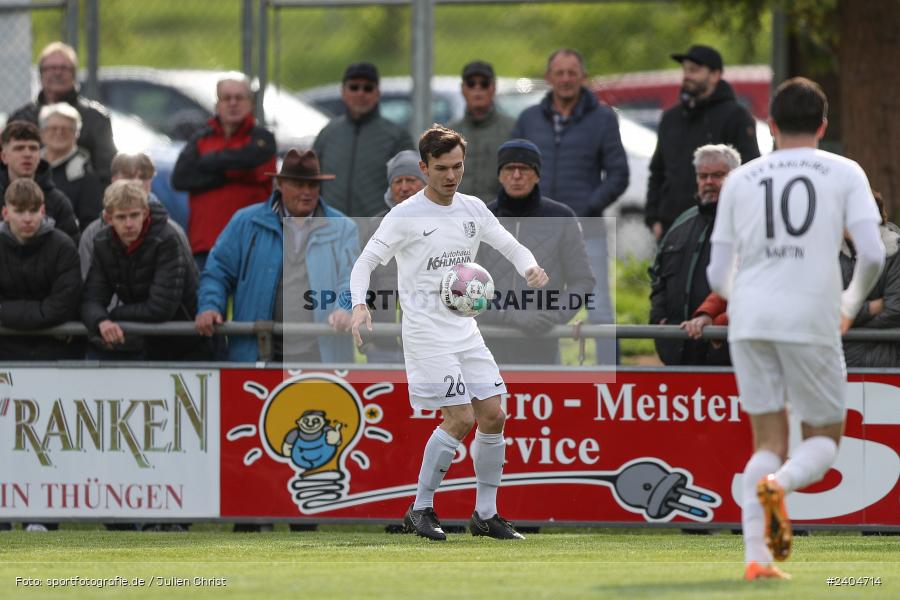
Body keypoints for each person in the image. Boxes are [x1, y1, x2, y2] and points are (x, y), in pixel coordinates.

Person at [706, 77, 884, 580]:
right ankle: (780, 486)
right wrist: (849, 303)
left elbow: (717, 275)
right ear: (823, 126)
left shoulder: (742, 178)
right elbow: (872, 253)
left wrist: (745, 303)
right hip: (811, 316)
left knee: (767, 441)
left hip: (750, 320)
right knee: (823, 439)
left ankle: (757, 559)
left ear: (771, 125)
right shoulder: (844, 170)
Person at [349, 125, 549, 541]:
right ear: (424, 168)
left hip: (465, 329)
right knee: (460, 418)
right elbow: (364, 262)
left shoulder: (472, 208)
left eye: (458, 166)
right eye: (441, 168)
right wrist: (358, 305)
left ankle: (485, 515)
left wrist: (529, 266)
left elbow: (510, 246)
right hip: (425, 332)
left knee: (494, 415)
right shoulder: (404, 215)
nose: (451, 175)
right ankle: (420, 508)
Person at [512, 48, 629, 365]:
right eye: (559, 73)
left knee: (599, 309)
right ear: (549, 78)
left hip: (587, 231)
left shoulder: (603, 118)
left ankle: (610, 381)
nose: (565, 79)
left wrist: (589, 207)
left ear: (583, 77)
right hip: (538, 234)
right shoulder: (529, 119)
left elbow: (618, 174)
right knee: (537, 307)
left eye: (572, 73)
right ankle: (544, 376)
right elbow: (512, 167)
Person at [195, 149, 358, 364]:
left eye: (312, 185)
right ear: (280, 185)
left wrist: (345, 307)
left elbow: (353, 279)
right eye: (298, 184)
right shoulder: (245, 222)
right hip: (258, 352)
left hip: (321, 355)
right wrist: (210, 306)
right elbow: (218, 272)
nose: (306, 192)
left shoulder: (344, 228)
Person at [477, 139, 594, 364]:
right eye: (509, 168)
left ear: (537, 175)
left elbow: (582, 280)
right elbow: (468, 284)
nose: (516, 175)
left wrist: (554, 315)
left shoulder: (562, 218)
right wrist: (508, 314)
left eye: (524, 169)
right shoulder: (482, 218)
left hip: (542, 342)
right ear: (500, 175)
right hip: (487, 343)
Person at [81, 180, 209, 361]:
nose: (129, 224)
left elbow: (160, 308)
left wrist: (113, 315)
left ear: (145, 213)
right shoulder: (103, 243)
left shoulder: (167, 239)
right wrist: (101, 321)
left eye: (134, 215)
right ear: (108, 219)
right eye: (121, 217)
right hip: (151, 344)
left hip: (194, 343)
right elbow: (91, 299)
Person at [645, 44, 760, 240]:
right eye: (685, 70)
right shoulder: (671, 118)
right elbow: (658, 170)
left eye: (694, 70)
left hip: (717, 226)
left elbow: (750, 170)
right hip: (672, 225)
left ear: (715, 75)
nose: (687, 76)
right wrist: (653, 218)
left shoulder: (736, 117)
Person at [171, 72, 277, 269]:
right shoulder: (200, 139)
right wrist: (234, 173)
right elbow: (180, 178)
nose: (233, 103)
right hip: (206, 245)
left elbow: (252, 160)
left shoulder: (263, 140)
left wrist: (209, 164)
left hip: (251, 245)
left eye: (239, 98)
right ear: (217, 104)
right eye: (227, 98)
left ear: (251, 103)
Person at [649, 144, 740, 366]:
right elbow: (657, 277)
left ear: (736, 177)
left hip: (730, 355)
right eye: (703, 176)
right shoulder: (681, 224)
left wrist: (718, 323)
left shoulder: (748, 222)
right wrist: (658, 320)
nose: (709, 182)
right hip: (679, 352)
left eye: (718, 175)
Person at [313, 62, 414, 217]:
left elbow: (411, 186)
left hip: (378, 227)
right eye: (354, 87)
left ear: (377, 93)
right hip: (332, 225)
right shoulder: (328, 134)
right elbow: (312, 181)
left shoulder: (397, 137)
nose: (361, 93)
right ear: (343, 92)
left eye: (368, 88)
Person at [8, 41, 117, 184]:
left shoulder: (96, 119)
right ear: (40, 74)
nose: (57, 73)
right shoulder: (21, 119)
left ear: (74, 74)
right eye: (51, 68)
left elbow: (107, 171)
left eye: (64, 68)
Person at [360, 150, 426, 363]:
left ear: (426, 184)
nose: (404, 187)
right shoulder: (375, 228)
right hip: (382, 350)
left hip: (429, 350)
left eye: (411, 180)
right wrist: (367, 343)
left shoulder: (443, 225)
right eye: (398, 181)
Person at [79, 152, 192, 278]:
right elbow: (88, 282)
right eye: (129, 176)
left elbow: (184, 279)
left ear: (151, 181)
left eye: (144, 177)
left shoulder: (172, 232)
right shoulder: (93, 233)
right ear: (113, 180)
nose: (137, 182)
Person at [840, 192, 900, 367]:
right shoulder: (830, 252)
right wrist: (874, 306)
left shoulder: (895, 249)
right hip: (841, 363)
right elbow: (827, 311)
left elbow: (896, 311)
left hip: (887, 363)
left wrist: (849, 320)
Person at [0, 121, 79, 243]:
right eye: (19, 148)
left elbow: (69, 248)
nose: (27, 154)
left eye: (33, 148)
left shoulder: (58, 202)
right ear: (4, 157)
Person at [448, 60, 515, 202]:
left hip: (498, 212)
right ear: (463, 89)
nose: (477, 89)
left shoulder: (513, 131)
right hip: (457, 211)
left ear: (493, 88)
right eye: (471, 83)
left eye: (484, 84)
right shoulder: (448, 134)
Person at [39, 103, 104, 232]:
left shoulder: (86, 175)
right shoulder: (30, 166)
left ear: (76, 134)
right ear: (42, 133)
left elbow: (91, 224)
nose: (59, 133)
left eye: (66, 129)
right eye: (53, 128)